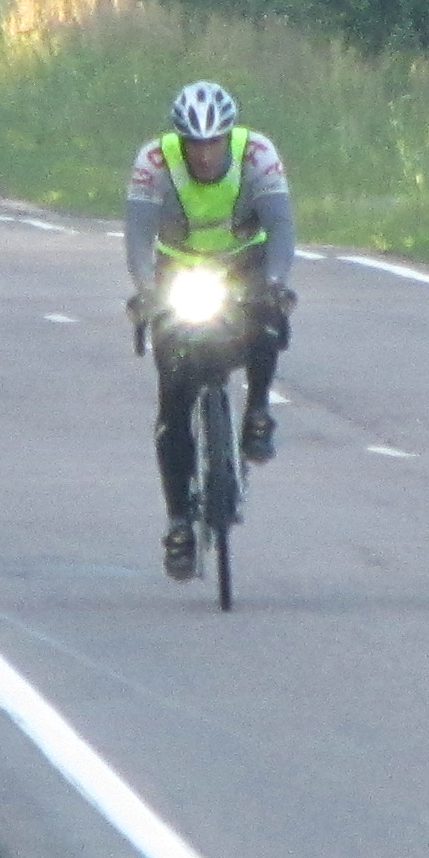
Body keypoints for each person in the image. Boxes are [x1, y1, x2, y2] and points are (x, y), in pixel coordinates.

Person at [125, 79, 294, 581]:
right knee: (173, 407)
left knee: (267, 317)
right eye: (194, 144)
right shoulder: (153, 162)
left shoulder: (257, 154)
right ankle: (179, 521)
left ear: (228, 136)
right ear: (180, 140)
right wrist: (145, 291)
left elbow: (281, 228)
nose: (204, 154)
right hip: (178, 271)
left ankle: (258, 410)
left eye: (213, 142)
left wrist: (276, 283)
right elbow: (137, 238)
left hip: (243, 265)